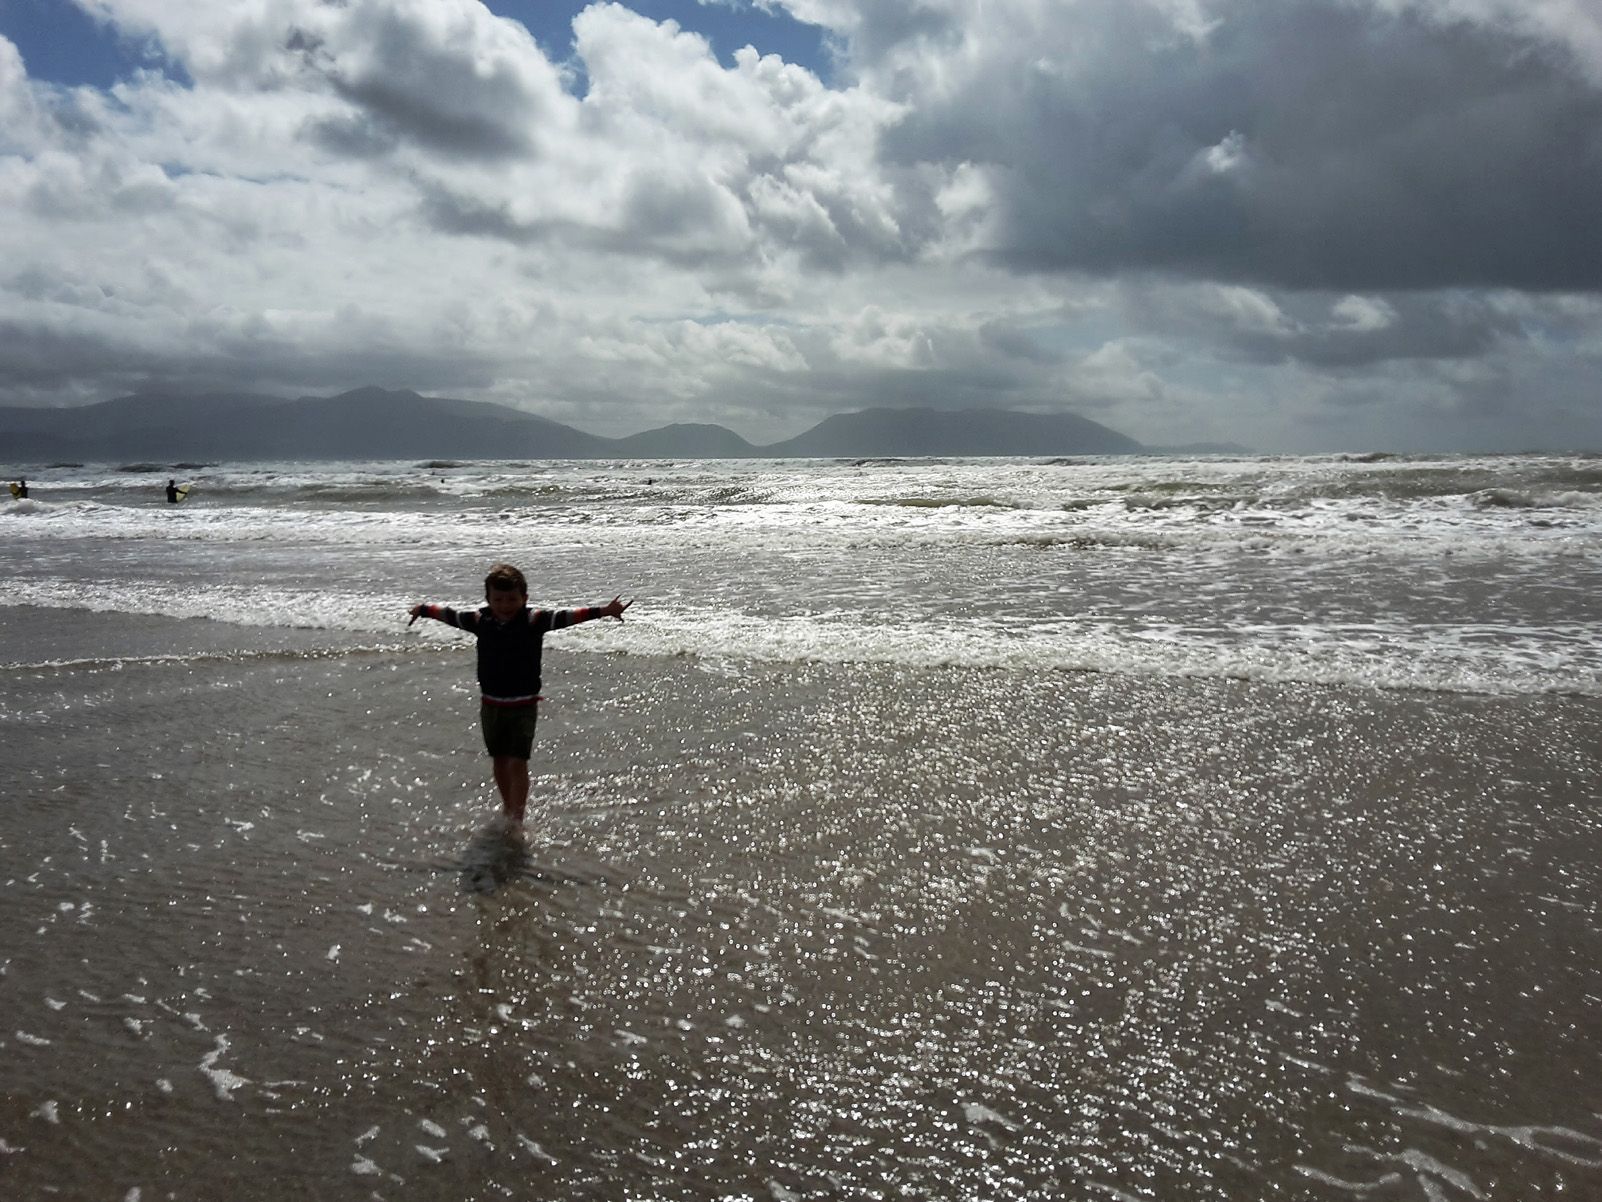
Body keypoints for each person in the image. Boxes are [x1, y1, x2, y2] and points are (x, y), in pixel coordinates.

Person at [408, 563, 631, 830]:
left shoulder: (533, 620)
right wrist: (424, 610)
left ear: (524, 598)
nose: (505, 605)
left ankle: (517, 817)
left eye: (512, 599)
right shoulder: (480, 621)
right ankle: (507, 806)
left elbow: (567, 617)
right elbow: (450, 615)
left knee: (517, 761)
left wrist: (604, 611)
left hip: (523, 705)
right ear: (488, 600)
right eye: (498, 600)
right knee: (499, 760)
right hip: (491, 704)